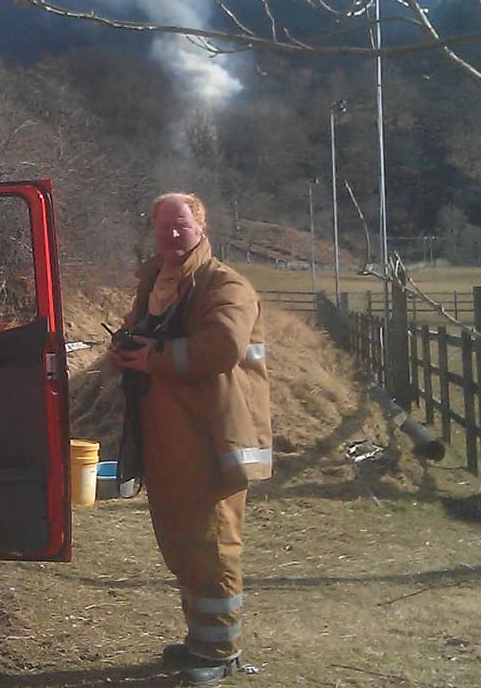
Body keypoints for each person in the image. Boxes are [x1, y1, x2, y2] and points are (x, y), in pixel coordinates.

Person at [108, 192, 271, 687]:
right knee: (183, 544)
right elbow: (147, 336)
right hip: (167, 439)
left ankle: (222, 650)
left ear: (201, 226)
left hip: (210, 438)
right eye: (162, 227)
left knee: (213, 544)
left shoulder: (225, 284)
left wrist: (152, 356)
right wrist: (125, 347)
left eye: (180, 226)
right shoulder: (158, 284)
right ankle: (201, 639)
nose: (171, 236)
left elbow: (219, 347)